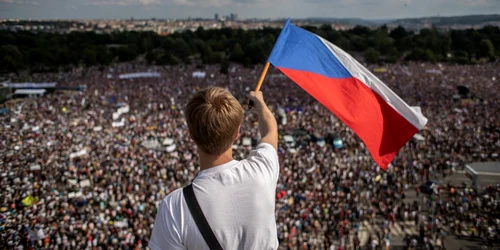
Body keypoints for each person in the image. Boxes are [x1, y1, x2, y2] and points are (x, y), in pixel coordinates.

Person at [149, 87, 279, 250]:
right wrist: (260, 104)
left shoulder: (175, 207)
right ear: (237, 132)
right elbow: (271, 131)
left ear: (191, 135)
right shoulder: (262, 171)